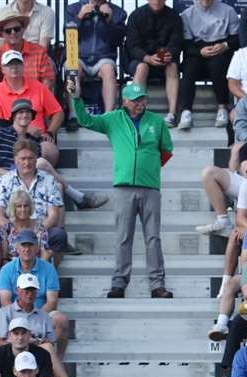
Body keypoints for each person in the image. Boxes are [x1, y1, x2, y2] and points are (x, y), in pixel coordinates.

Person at [69, 79, 174, 299]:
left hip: (150, 187)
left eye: (142, 99)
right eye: (135, 100)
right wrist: (76, 98)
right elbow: (85, 120)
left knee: (153, 237)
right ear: (125, 100)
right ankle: (119, 283)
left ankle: (157, 284)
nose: (139, 103)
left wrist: (150, 169)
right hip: (124, 187)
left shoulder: (156, 121)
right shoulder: (113, 119)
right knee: (123, 237)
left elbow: (166, 150)